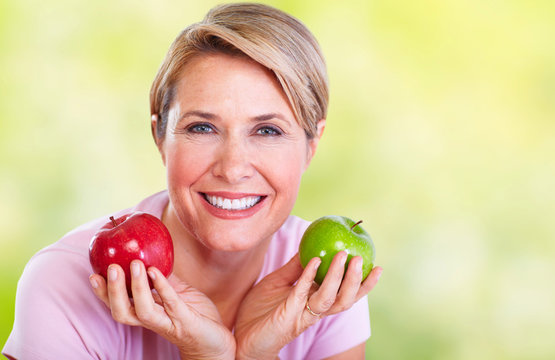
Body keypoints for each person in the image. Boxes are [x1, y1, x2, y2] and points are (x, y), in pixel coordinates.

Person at [3, 3, 382, 359]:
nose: (233, 168)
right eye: (202, 127)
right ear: (160, 138)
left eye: (267, 131)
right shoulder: (64, 284)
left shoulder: (326, 279)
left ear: (312, 145)